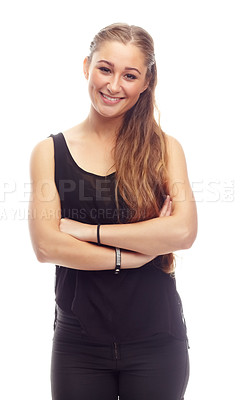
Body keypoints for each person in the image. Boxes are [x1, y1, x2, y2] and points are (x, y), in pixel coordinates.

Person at [29, 23, 197, 400]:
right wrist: (132, 255)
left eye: (130, 75)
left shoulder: (165, 149)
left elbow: (183, 232)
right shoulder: (49, 152)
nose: (114, 85)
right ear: (86, 66)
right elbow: (46, 245)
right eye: (105, 68)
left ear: (145, 83)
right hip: (78, 346)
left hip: (158, 342)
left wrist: (90, 232)